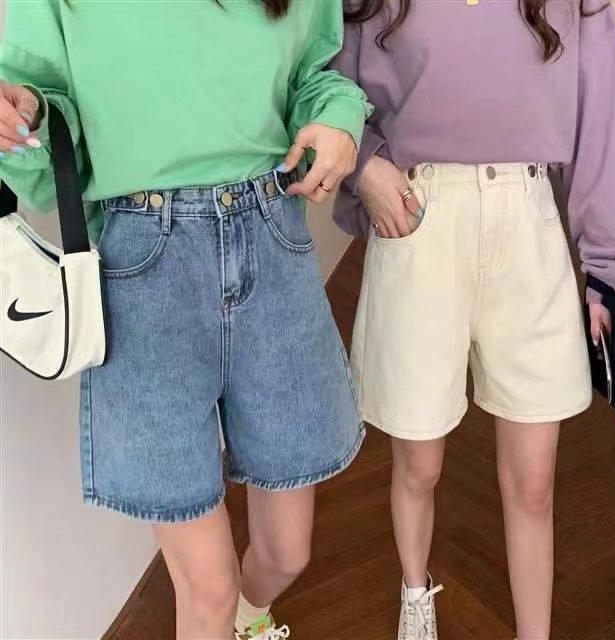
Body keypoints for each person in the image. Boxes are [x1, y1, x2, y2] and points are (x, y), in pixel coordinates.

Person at [0, 1, 371, 638]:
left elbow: (312, 76)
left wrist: (340, 118)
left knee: (287, 553)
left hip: (272, 244)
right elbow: (44, 107)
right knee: (208, 589)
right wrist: (25, 112)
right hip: (145, 271)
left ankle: (250, 621)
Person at [332, 1, 615, 638]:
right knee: (419, 462)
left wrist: (606, 270)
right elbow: (330, 88)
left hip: (528, 222)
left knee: (534, 481)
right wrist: (365, 168)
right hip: (420, 217)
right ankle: (415, 598)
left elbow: (600, 120)